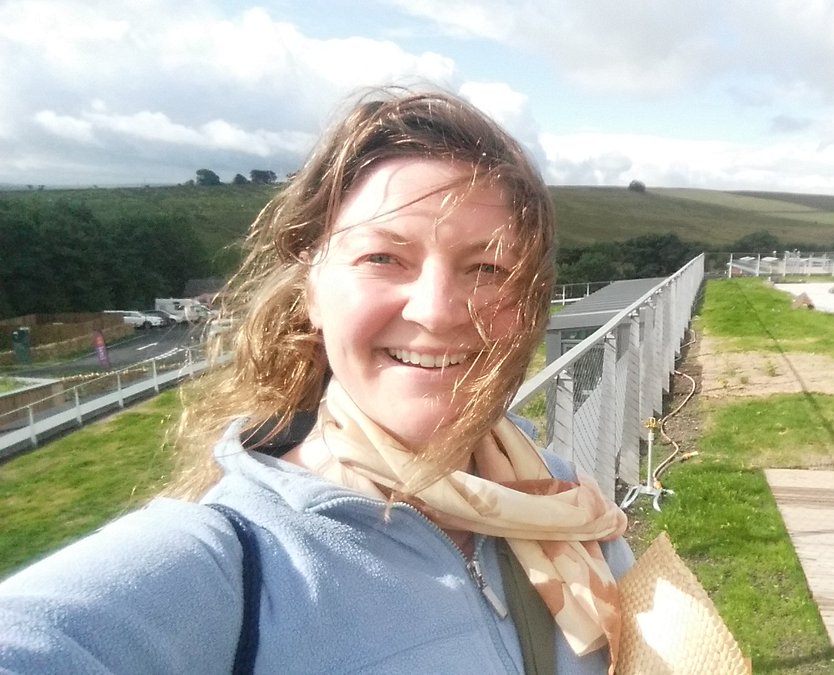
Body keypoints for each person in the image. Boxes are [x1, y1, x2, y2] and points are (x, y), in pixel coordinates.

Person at [0, 88, 633, 674]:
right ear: (311, 291)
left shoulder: (560, 499)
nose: (437, 311)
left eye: (489, 267)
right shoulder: (228, 567)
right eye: (382, 257)